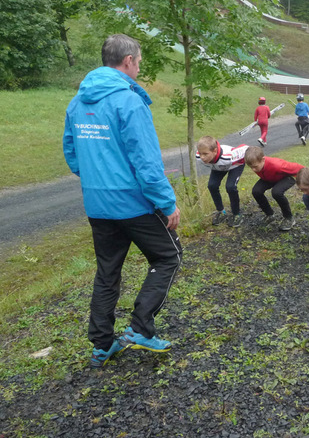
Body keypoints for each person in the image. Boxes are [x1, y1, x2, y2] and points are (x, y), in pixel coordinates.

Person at [63, 34, 182, 368]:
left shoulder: (78, 101)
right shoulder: (128, 101)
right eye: (139, 60)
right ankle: (141, 328)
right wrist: (167, 202)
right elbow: (147, 162)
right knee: (169, 256)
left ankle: (102, 345)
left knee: (107, 272)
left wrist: (96, 180)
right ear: (128, 60)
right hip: (133, 203)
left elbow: (72, 154)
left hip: (98, 204)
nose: (139, 66)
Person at [244, 146, 304, 231]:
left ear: (263, 160)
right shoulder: (257, 164)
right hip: (270, 178)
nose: (253, 170)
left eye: (255, 166)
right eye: (251, 167)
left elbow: (297, 168)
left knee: (276, 192)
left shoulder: (277, 165)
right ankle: (269, 215)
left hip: (286, 178)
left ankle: (289, 218)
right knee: (256, 191)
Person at [197, 136, 249, 228]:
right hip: (218, 166)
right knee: (212, 186)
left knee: (230, 187)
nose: (202, 157)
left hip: (235, 165)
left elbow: (246, 148)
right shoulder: (198, 156)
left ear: (214, 151)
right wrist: (205, 155)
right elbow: (203, 155)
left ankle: (237, 214)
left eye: (205, 154)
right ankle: (221, 211)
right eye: (200, 154)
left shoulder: (229, 156)